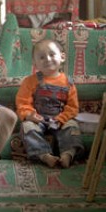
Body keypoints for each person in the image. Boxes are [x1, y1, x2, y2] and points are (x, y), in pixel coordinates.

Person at [15, 39, 84, 168]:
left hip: (60, 119)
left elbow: (72, 108)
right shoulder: (30, 81)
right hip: (38, 119)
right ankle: (44, 155)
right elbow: (22, 102)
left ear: (62, 57)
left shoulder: (68, 83)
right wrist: (29, 115)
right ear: (35, 63)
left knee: (72, 125)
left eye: (52, 54)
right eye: (41, 57)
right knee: (27, 127)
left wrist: (61, 119)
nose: (47, 59)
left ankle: (68, 154)